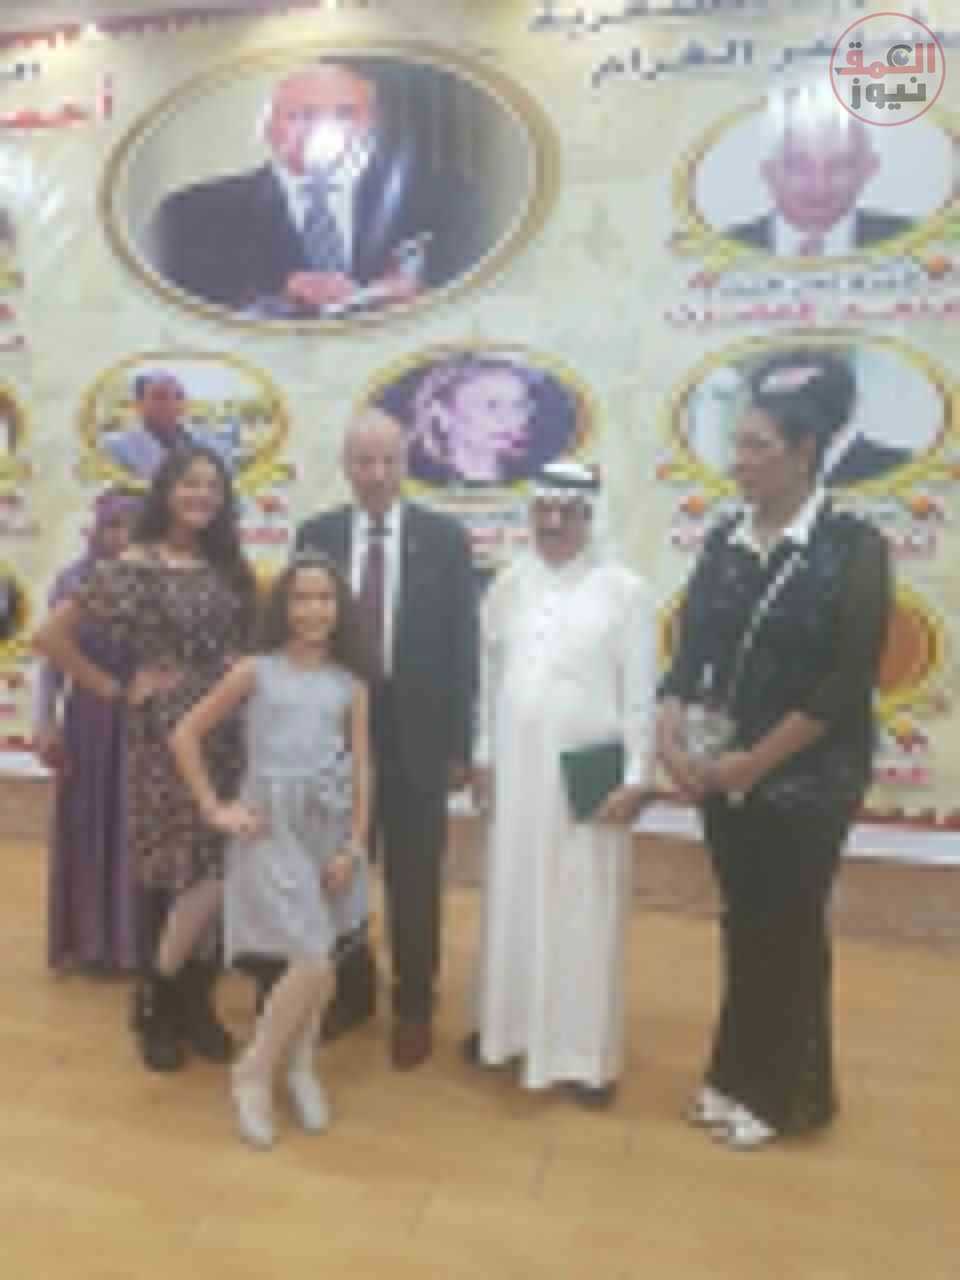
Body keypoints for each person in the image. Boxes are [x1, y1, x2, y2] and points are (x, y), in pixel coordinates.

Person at [656, 350, 892, 1149]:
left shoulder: (854, 547)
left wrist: (755, 763)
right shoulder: (725, 539)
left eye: (757, 445)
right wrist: (670, 724)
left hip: (810, 776)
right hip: (724, 770)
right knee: (744, 922)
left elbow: (844, 683)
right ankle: (733, 1074)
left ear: (804, 451)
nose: (739, 460)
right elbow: (691, 649)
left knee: (789, 926)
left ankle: (787, 1096)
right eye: (738, 444)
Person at [33, 447, 257, 1072]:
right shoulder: (135, 565)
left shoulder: (228, 563)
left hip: (226, 734)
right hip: (163, 738)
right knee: (176, 871)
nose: (201, 495)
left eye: (212, 486)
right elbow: (50, 637)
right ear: (166, 491)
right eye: (189, 483)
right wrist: (113, 687)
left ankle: (194, 1003)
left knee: (214, 870)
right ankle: (155, 1004)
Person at [465, 461, 655, 1105]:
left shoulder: (624, 592)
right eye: (542, 510)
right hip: (517, 777)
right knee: (514, 898)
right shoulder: (507, 586)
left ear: (590, 518)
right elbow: (488, 681)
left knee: (583, 910)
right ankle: (508, 1033)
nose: (552, 523)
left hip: (588, 779)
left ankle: (582, 1058)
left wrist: (637, 776)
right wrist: (482, 756)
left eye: (567, 512)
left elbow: (640, 695)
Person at [295, 406, 477, 1069]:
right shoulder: (316, 535)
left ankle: (414, 1006)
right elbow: (298, 639)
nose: (376, 474)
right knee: (339, 874)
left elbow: (463, 647)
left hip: (419, 741)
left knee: (414, 879)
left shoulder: (445, 540)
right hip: (337, 738)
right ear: (346, 466)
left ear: (406, 464)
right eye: (363, 461)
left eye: (388, 461)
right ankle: (352, 995)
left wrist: (460, 744)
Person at [170, 554, 372, 1148]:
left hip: (326, 830)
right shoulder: (254, 671)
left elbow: (363, 768)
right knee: (311, 957)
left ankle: (301, 1066)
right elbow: (185, 733)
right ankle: (255, 1070)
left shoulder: (350, 685)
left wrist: (354, 844)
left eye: (325, 598)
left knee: (321, 959)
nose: (313, 610)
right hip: (270, 828)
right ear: (282, 606)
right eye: (301, 598)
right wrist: (215, 807)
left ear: (339, 608)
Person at [147, 62, 483, 318]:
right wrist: (274, 297)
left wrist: (425, 299)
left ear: (371, 124)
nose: (324, 130)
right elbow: (170, 314)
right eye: (303, 116)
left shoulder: (445, 197)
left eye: (345, 115)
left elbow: (482, 301)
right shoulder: (191, 214)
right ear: (267, 127)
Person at [32, 490, 143, 973]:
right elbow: (51, 662)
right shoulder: (73, 580)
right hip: (89, 723)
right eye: (113, 526)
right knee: (87, 825)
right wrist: (44, 721)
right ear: (97, 529)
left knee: (134, 831)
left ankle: (132, 945)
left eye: (132, 526)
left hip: (144, 721)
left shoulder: (154, 580)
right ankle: (89, 944)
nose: (122, 537)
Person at [726, 105, 913, 257]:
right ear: (768, 172)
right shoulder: (725, 250)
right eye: (799, 167)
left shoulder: (910, 242)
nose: (820, 187)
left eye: (840, 166)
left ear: (868, 170)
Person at [405, 356, 536, 486]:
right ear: (442, 413)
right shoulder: (410, 479)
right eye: (491, 405)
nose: (509, 419)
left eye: (518, 405)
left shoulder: (533, 479)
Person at [101, 372, 238, 481]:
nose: (172, 404)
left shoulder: (210, 443)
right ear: (138, 405)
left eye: (179, 396)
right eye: (160, 396)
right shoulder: (116, 446)